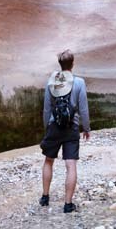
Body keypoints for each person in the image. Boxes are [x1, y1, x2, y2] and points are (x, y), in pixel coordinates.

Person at [39, 50, 91, 213]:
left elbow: (47, 108)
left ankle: (45, 197)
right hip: (71, 127)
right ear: (72, 64)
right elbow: (83, 108)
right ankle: (68, 204)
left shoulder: (52, 82)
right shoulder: (79, 82)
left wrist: (47, 127)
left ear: (60, 64)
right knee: (71, 164)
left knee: (49, 160)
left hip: (54, 127)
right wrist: (86, 128)